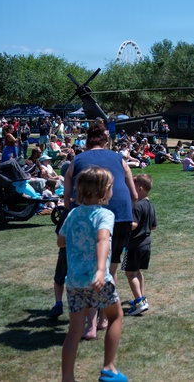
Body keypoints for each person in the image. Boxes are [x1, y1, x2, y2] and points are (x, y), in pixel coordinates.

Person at [56, 121, 138, 334]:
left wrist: (71, 207)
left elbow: (66, 197)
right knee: (110, 267)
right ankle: (104, 318)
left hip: (87, 216)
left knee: (91, 266)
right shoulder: (119, 158)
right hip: (120, 217)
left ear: (87, 140)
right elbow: (134, 194)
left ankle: (90, 325)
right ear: (106, 140)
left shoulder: (76, 160)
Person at [58, 167, 126, 382]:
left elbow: (60, 240)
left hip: (74, 281)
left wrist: (78, 240)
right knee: (116, 316)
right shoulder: (105, 214)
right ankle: (108, 368)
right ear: (105, 190)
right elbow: (103, 239)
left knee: (74, 330)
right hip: (99, 280)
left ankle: (67, 378)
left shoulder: (73, 213)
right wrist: (99, 269)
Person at [124, 174, 156, 317]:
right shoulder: (150, 205)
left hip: (135, 244)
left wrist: (122, 223)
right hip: (146, 243)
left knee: (130, 273)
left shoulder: (137, 206)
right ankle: (141, 296)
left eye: (133, 187)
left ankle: (139, 302)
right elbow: (153, 226)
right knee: (137, 271)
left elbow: (133, 225)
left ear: (140, 188)